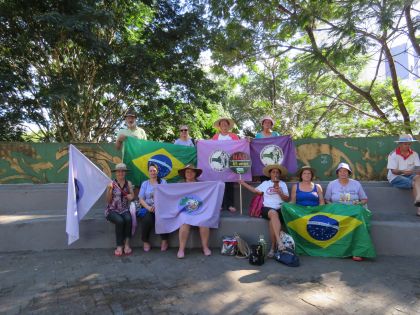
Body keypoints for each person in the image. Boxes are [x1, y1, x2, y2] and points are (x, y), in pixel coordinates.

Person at [240, 164, 290, 257]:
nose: (275, 173)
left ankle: (273, 247)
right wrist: (243, 183)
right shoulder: (265, 183)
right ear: (270, 174)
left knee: (272, 221)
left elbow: (286, 199)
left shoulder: (282, 184)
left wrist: (280, 192)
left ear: (279, 175)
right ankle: (279, 242)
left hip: (280, 208)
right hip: (267, 208)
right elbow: (255, 191)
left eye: (277, 172)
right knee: (273, 214)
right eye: (273, 172)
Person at [324, 162, 368, 261]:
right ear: (337, 173)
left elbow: (364, 199)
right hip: (337, 212)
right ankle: (340, 251)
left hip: (353, 212)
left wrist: (359, 203)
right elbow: (327, 199)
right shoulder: (332, 184)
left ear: (349, 173)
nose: (343, 173)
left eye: (345, 171)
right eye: (341, 171)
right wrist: (332, 206)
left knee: (358, 226)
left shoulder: (356, 183)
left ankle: (358, 252)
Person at [176, 164, 212, 258]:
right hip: (184, 210)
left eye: (192, 171)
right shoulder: (179, 184)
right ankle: (181, 249)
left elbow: (207, 197)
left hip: (199, 209)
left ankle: (205, 247)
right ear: (184, 173)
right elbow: (174, 197)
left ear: (195, 174)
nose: (189, 173)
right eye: (187, 171)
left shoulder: (201, 185)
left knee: (204, 223)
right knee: (184, 224)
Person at [138, 163, 170, 252]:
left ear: (157, 172)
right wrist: (148, 208)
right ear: (148, 172)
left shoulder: (163, 182)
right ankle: (145, 241)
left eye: (154, 171)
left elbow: (167, 196)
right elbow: (141, 199)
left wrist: (158, 206)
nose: (152, 172)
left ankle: (164, 241)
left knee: (162, 218)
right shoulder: (145, 183)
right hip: (148, 208)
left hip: (161, 208)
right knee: (147, 220)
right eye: (151, 171)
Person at [105, 163, 135, 257]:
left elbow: (132, 196)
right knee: (120, 221)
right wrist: (110, 189)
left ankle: (127, 244)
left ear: (125, 173)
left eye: (122, 171)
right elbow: (108, 200)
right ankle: (119, 246)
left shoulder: (128, 183)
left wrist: (131, 196)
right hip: (112, 210)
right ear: (116, 173)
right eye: (119, 171)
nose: (120, 173)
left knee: (129, 219)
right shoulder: (111, 183)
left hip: (124, 209)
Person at [386, 134, 420, 216]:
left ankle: (418, 199)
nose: (407, 146)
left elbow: (417, 169)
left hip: (410, 175)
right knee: (413, 183)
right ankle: (419, 209)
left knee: (418, 178)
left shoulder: (414, 154)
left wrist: (413, 172)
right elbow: (393, 171)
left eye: (409, 144)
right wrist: (403, 172)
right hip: (395, 177)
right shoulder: (393, 154)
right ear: (400, 144)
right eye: (405, 144)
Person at [212, 117, 239, 212]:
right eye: (221, 124)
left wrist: (247, 140)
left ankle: (230, 204)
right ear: (219, 126)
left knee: (229, 184)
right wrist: (200, 142)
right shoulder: (215, 137)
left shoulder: (234, 136)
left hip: (230, 163)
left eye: (225, 124)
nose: (223, 125)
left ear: (228, 126)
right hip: (219, 164)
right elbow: (210, 148)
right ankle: (221, 204)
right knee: (220, 184)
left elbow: (239, 146)